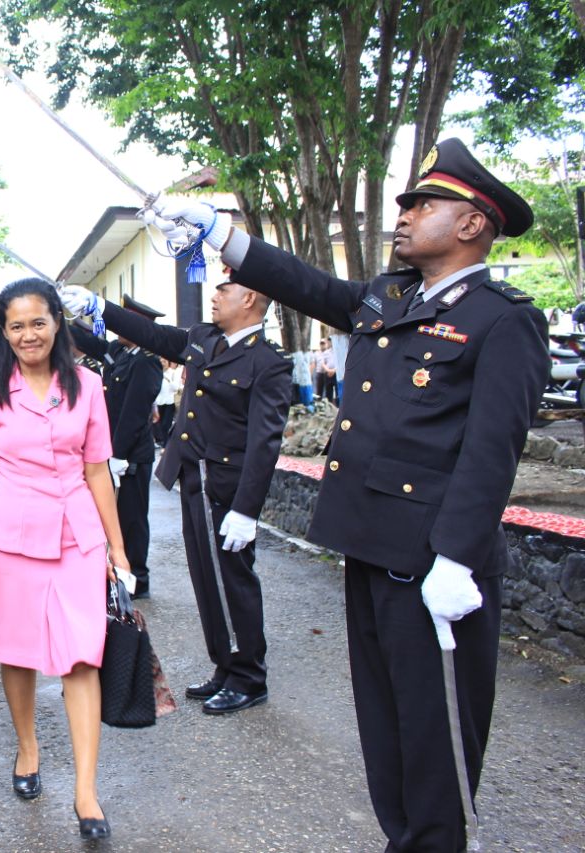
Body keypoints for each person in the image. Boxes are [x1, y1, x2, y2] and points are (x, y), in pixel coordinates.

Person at [155, 137, 548, 851]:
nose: (405, 214)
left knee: (436, 738)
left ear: (471, 224)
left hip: (432, 562)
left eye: (425, 204)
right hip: (368, 545)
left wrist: (457, 557)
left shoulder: (503, 318)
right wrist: (221, 232)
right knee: (386, 728)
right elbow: (306, 284)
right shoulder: (389, 295)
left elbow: (493, 450)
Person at [64, 274, 291, 715]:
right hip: (195, 478)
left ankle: (249, 675)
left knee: (233, 581)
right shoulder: (207, 338)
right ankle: (226, 664)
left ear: (249, 298)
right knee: (208, 580)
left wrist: (247, 509)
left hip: (226, 487)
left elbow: (265, 442)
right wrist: (98, 306)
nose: (215, 296)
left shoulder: (267, 362)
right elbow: (154, 335)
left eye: (224, 291)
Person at [0, 279, 126, 841]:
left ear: (57, 322)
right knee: (19, 651)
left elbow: (97, 469)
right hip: (11, 535)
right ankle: (28, 747)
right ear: (4, 332)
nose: (28, 334)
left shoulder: (89, 386)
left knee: (82, 657)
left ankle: (86, 790)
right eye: (16, 325)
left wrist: (118, 548)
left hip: (78, 535)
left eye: (38, 322)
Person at [70, 295, 163, 598]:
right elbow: (89, 342)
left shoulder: (147, 361)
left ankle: (139, 578)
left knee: (133, 518)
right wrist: (62, 315)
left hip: (132, 454)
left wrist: (119, 454)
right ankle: (119, 572)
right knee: (115, 515)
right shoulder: (120, 352)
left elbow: (135, 414)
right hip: (116, 452)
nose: (117, 325)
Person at [153, 356, 181, 448]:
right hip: (159, 402)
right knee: (159, 425)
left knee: (166, 425)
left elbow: (176, 387)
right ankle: (163, 443)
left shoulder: (172, 373)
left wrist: (168, 379)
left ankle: (166, 446)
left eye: (164, 361)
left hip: (169, 402)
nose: (162, 363)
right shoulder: (157, 372)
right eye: (161, 361)